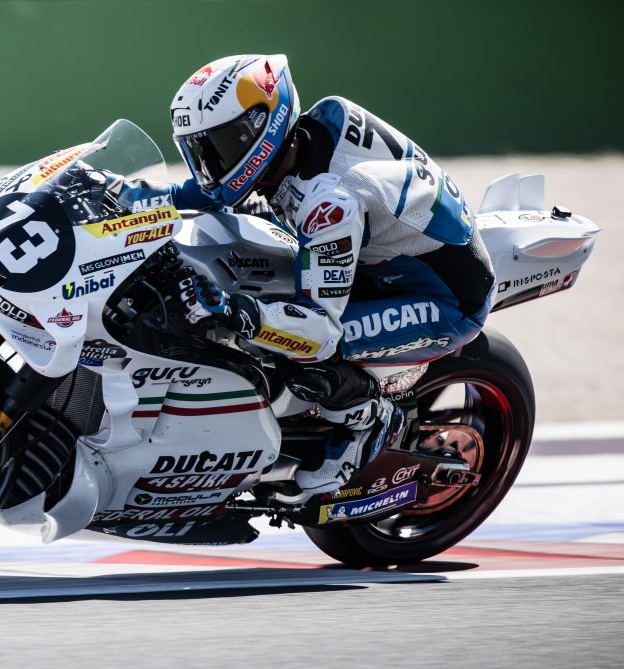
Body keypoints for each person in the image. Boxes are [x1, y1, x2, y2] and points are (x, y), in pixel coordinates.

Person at [145, 54, 496, 496]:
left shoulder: (329, 203)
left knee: (291, 346)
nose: (211, 163)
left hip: (442, 297)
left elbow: (319, 332)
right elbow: (211, 189)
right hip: (381, 256)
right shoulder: (309, 131)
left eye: (222, 146)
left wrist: (237, 312)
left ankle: (367, 420)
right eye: (201, 151)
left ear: (262, 126)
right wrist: (128, 196)